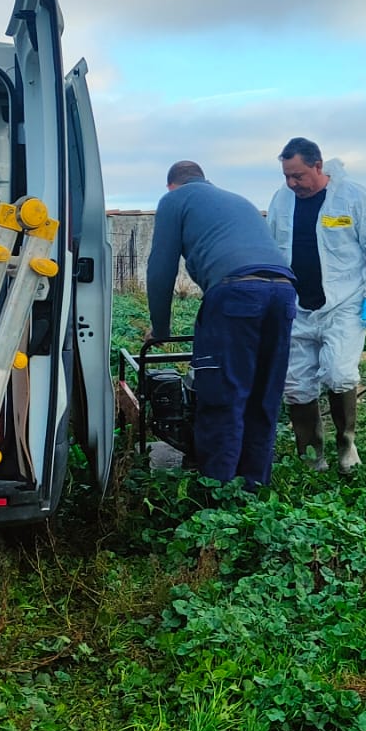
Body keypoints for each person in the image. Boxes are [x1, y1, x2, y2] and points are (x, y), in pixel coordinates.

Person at [146, 161, 299, 489]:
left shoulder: (174, 200)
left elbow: (161, 268)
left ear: (172, 185)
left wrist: (160, 330)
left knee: (223, 395)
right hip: (284, 292)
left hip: (236, 293)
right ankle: (254, 488)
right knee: (263, 395)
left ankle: (218, 494)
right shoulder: (237, 200)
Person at [267, 138, 366, 473]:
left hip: (344, 303)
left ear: (318, 166)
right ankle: (312, 458)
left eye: (298, 176)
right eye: (287, 176)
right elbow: (272, 249)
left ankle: (346, 445)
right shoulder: (282, 201)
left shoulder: (352, 197)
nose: (292, 183)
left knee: (339, 373)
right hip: (297, 306)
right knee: (295, 384)